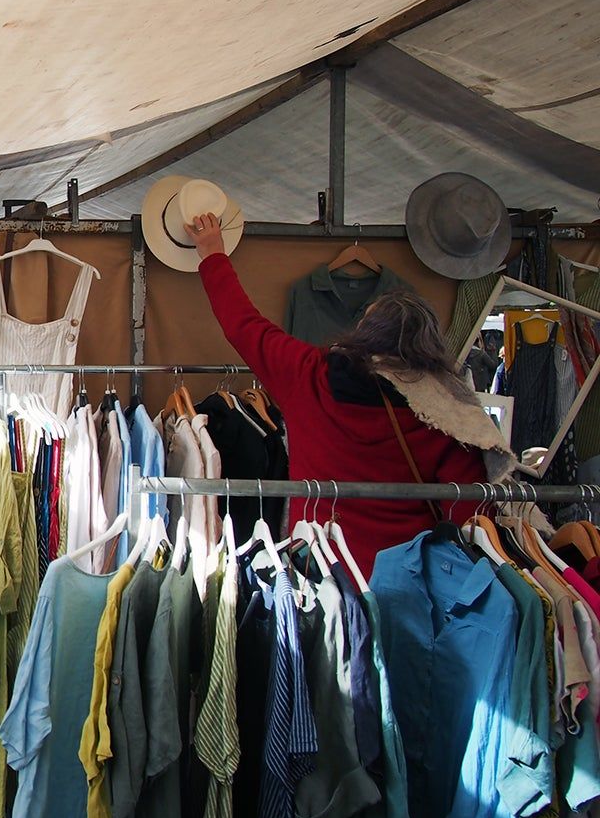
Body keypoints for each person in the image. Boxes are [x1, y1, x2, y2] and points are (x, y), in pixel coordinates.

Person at [187, 210, 512, 574]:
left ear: (364, 332)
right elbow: (471, 515)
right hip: (409, 581)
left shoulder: (308, 373)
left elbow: (243, 324)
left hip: (320, 572)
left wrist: (212, 253)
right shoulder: (449, 413)